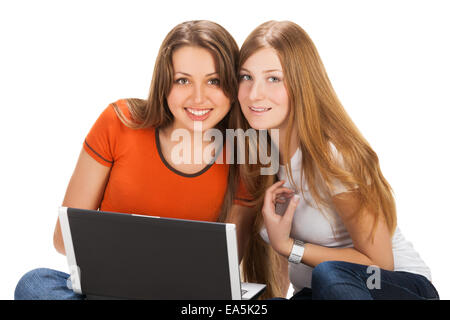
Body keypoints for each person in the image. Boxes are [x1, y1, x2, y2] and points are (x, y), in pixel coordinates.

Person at [14, 20, 255, 300]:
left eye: (213, 81)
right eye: (183, 80)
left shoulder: (244, 156)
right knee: (35, 283)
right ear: (165, 82)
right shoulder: (120, 122)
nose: (198, 97)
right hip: (107, 289)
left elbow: (224, 266)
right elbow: (63, 239)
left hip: (178, 296)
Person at [237, 20, 440, 300]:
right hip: (320, 292)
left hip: (394, 286)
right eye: (246, 77)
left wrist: (288, 246)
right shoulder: (258, 159)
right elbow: (278, 263)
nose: (254, 93)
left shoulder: (334, 155)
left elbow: (380, 265)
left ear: (301, 83)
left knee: (329, 273)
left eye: (273, 78)